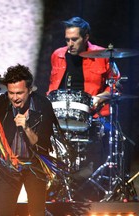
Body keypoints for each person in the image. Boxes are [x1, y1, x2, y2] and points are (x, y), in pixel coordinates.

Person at [0, 64, 63, 216]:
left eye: (20, 93)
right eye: (11, 93)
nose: (15, 98)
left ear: (30, 90)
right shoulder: (0, 104)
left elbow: (42, 144)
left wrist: (27, 127)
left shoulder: (43, 105)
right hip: (7, 167)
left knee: (37, 212)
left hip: (35, 166)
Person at [47, 17, 120, 200]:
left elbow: (116, 85)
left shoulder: (102, 55)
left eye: (74, 39)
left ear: (86, 37)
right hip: (61, 114)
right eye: (67, 40)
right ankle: (52, 185)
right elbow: (52, 87)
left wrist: (100, 98)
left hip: (93, 115)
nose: (69, 44)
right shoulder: (58, 55)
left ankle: (93, 189)